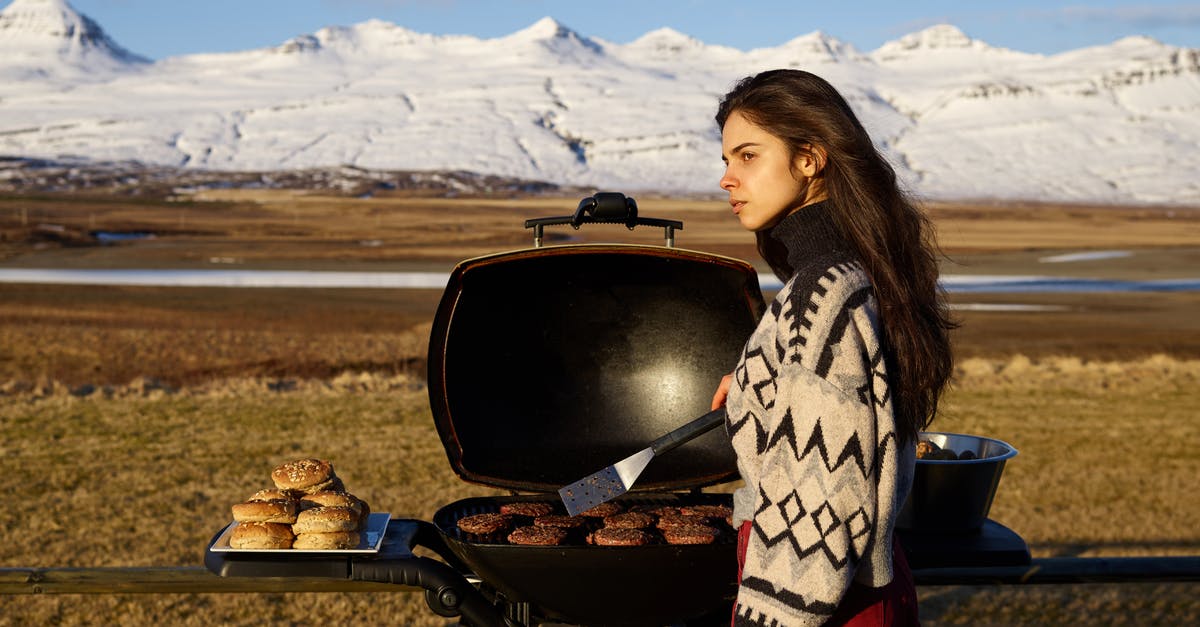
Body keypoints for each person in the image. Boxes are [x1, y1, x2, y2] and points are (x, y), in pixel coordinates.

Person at [709, 69, 955, 626]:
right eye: (726, 160)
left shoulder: (822, 296)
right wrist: (758, 385)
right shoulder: (861, 269)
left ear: (810, 159)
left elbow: (821, 502)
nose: (726, 178)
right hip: (864, 587)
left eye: (747, 156)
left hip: (813, 603)